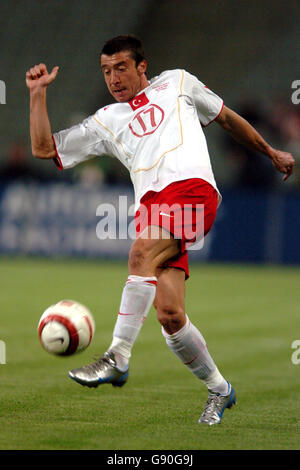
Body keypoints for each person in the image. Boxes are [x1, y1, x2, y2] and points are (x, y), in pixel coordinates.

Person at [26, 35, 295, 425]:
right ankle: (220, 389)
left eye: (121, 68)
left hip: (193, 190)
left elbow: (225, 117)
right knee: (170, 314)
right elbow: (44, 148)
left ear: (141, 66)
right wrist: (37, 95)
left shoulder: (178, 83)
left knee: (139, 254)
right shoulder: (106, 121)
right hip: (153, 210)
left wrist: (269, 150)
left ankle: (117, 356)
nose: (113, 78)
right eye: (106, 71)